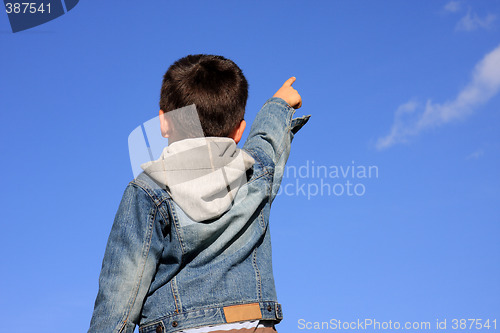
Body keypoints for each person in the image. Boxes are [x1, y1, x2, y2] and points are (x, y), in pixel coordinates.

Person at [88, 54, 310, 333]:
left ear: (163, 122)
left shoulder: (148, 191)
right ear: (239, 130)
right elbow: (267, 140)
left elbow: (120, 293)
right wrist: (278, 104)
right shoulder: (256, 173)